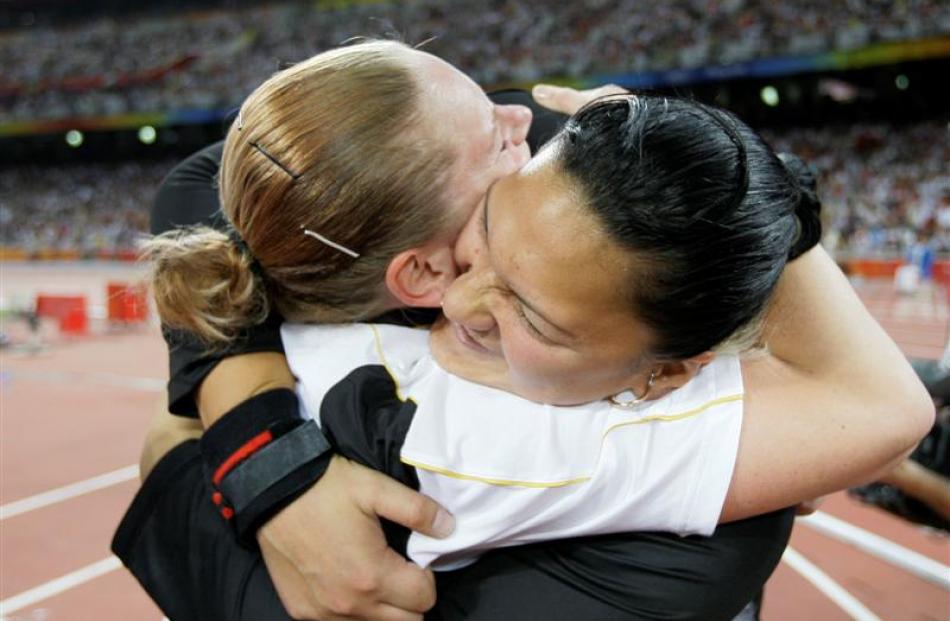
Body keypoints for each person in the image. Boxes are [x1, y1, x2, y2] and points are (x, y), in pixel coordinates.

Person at [114, 43, 933, 620]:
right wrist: (770, 197)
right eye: (503, 145)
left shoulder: (323, 322)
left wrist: (243, 434)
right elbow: (876, 408)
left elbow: (207, 196)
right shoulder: (569, 448)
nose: (523, 117)